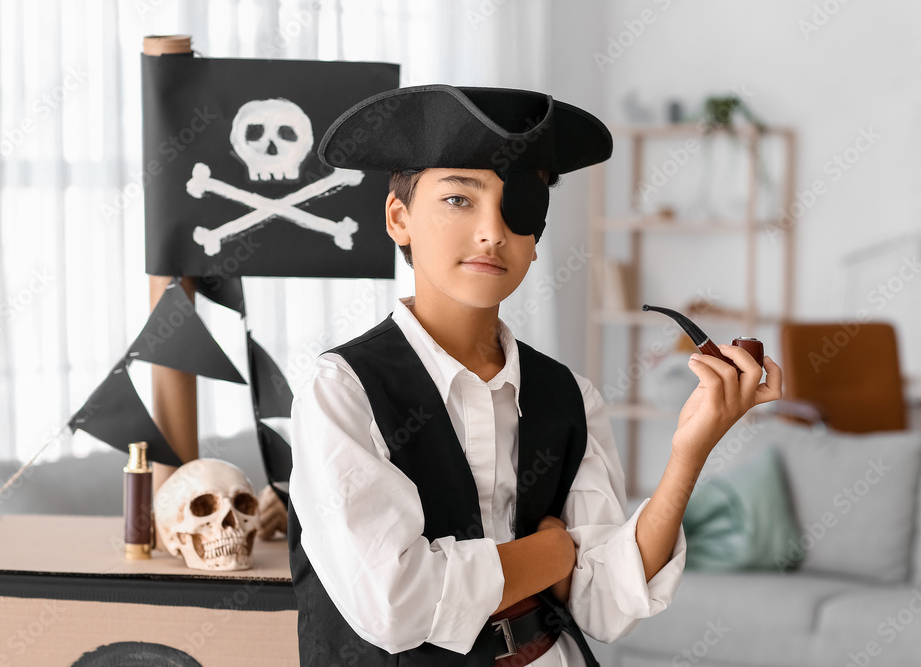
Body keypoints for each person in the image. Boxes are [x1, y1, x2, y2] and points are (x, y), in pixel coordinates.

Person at [287, 84, 783, 667]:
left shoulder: (568, 395)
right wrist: (551, 554)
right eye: (458, 199)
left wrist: (690, 450)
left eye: (519, 204)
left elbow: (605, 604)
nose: (493, 231)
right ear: (399, 218)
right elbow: (399, 604)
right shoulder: (342, 391)